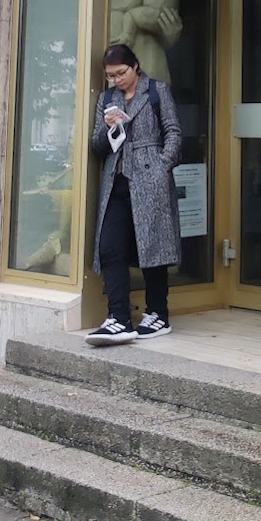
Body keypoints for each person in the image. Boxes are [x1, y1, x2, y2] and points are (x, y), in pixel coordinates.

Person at [86, 41, 183, 345]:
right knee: (109, 247)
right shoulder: (107, 98)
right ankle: (118, 318)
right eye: (111, 75)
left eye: (121, 73)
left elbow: (173, 131)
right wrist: (108, 128)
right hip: (116, 180)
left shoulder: (156, 90)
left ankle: (158, 314)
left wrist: (162, 167)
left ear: (135, 66)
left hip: (150, 178)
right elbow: (97, 146)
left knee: (152, 247)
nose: (116, 80)